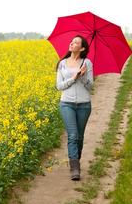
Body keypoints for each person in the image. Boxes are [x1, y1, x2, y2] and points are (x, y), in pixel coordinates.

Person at [55, 35, 94, 181]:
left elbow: (91, 86)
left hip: (84, 104)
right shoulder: (62, 64)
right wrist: (74, 78)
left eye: (76, 42)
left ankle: (75, 161)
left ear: (82, 48)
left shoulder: (87, 63)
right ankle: (75, 169)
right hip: (67, 104)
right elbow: (59, 86)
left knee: (80, 137)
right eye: (72, 41)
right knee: (72, 135)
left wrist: (83, 76)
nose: (72, 43)